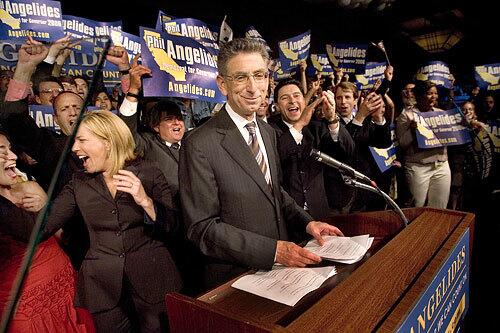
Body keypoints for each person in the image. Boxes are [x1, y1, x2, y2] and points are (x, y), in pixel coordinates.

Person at [179, 38, 343, 290]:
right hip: (236, 279)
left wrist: (308, 223)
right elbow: (202, 228)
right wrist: (273, 251)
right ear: (222, 84)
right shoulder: (199, 143)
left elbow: (275, 193)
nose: (253, 88)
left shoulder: (267, 132)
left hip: (284, 273)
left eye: (259, 75)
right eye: (241, 77)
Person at [38, 111, 182, 332]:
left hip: (152, 281)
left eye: (82, 140)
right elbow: (42, 227)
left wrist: (145, 201)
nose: (74, 148)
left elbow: (173, 226)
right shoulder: (78, 182)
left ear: (107, 142)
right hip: (102, 288)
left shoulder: (148, 171)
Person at [0, 131, 93, 332]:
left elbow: (60, 236)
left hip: (66, 288)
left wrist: (46, 207)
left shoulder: (31, 188)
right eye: (2, 152)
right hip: (25, 307)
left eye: (10, 149)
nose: (13, 156)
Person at [269, 78, 355, 224]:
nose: (292, 100)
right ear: (277, 105)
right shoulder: (269, 130)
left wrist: (332, 118)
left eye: (297, 95)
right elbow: (276, 157)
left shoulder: (317, 128)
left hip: (320, 212)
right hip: (288, 217)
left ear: (304, 100)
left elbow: (347, 150)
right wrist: (300, 124)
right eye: (285, 98)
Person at [396, 80, 451, 208]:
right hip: (418, 167)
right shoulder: (407, 116)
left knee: (440, 207)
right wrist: (413, 131)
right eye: (429, 93)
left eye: (435, 93)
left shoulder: (441, 114)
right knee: (417, 206)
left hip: (441, 166)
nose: (434, 96)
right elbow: (403, 144)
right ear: (419, 96)